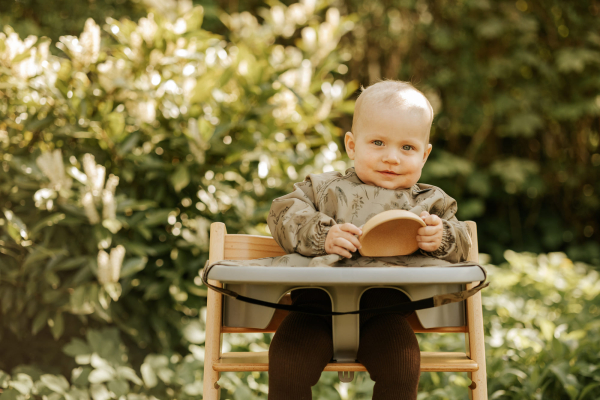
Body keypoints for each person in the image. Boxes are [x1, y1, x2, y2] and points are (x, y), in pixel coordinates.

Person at [266, 80, 472, 400]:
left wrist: (442, 236)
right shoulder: (323, 189)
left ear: (425, 154)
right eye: (378, 142)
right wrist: (323, 235)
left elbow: (464, 242)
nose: (392, 157)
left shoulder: (431, 202)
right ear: (351, 145)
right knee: (286, 362)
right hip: (314, 307)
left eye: (407, 147)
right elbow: (281, 212)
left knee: (403, 367)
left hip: (386, 312)